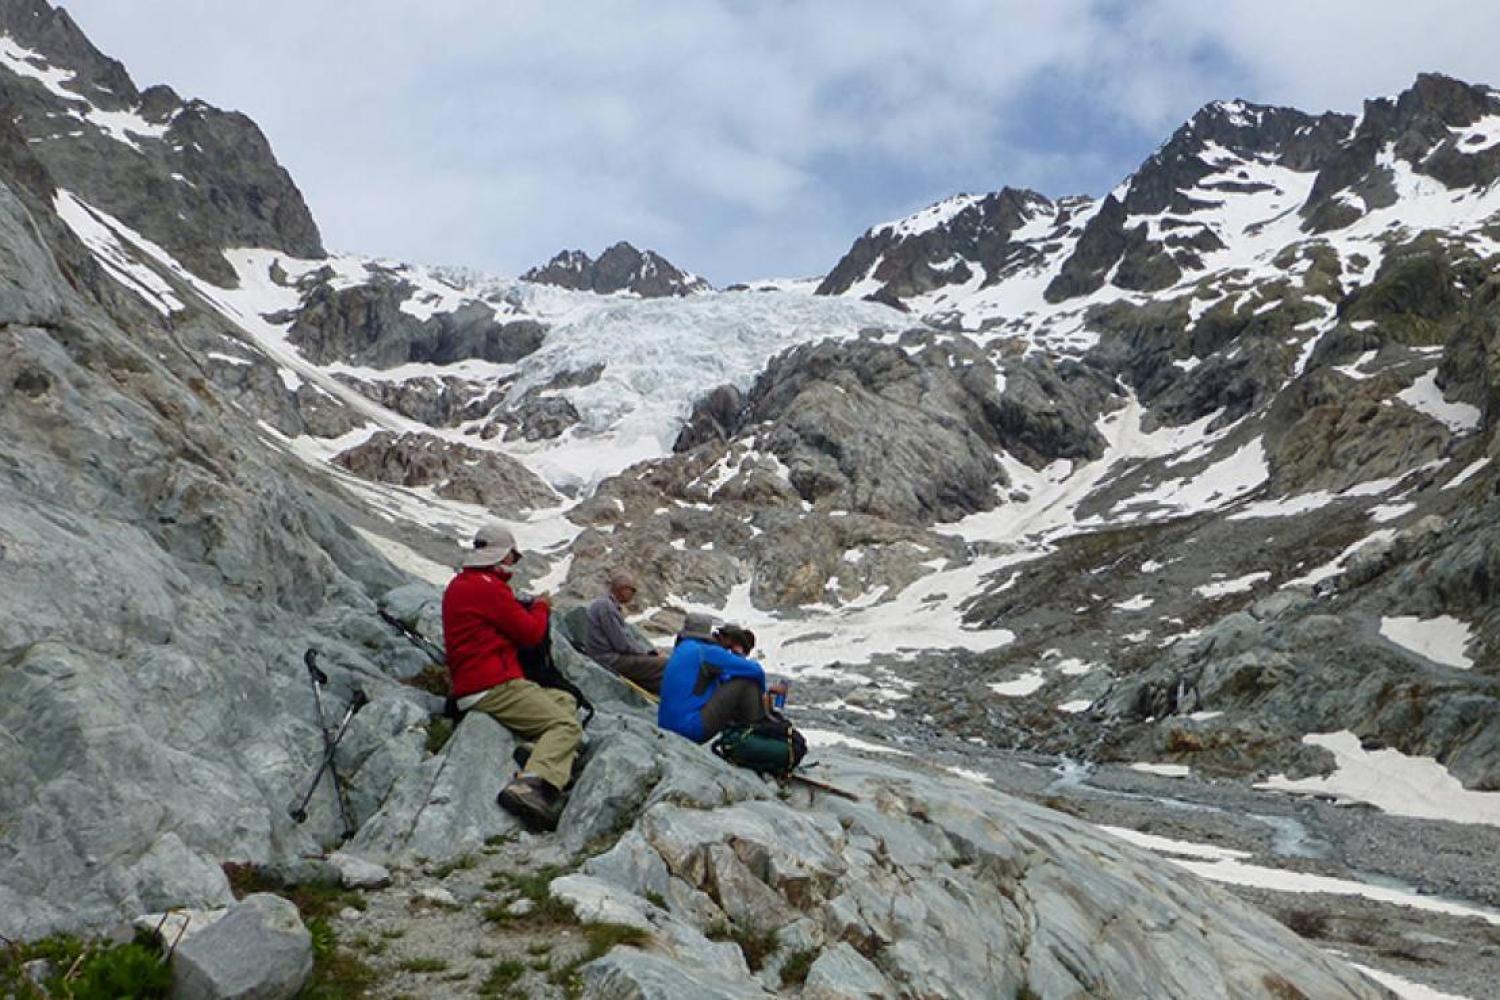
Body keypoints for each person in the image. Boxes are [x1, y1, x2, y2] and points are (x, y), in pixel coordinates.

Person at [442, 521, 580, 832]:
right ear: (503, 556)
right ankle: (531, 786)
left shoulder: (463, 583)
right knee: (565, 725)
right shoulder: (488, 588)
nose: (513, 564)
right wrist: (543, 607)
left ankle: (537, 753)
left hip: (478, 683)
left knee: (564, 698)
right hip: (492, 685)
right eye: (513, 558)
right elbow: (530, 634)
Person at [657, 613, 768, 743]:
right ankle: (757, 735)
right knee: (746, 683)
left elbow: (723, 679)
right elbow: (755, 671)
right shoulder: (706, 651)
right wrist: (739, 655)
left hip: (666, 725)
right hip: (689, 728)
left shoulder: (683, 648)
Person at [584, 569, 665, 693]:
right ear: (622, 589)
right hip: (608, 659)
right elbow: (621, 643)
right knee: (663, 664)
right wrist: (647, 654)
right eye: (632, 590)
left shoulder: (606, 605)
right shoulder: (607, 607)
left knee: (651, 668)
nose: (633, 594)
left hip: (605, 656)